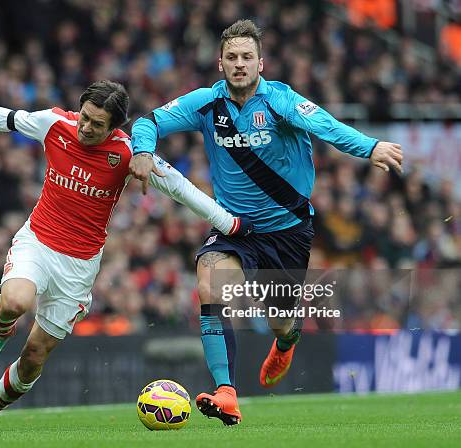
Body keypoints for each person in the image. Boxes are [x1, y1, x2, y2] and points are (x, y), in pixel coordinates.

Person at [0, 80, 253, 431]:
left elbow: (180, 187)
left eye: (97, 124)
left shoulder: (128, 153)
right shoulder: (56, 124)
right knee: (14, 301)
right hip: (38, 241)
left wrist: (229, 223)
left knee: (33, 357)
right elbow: (7, 118)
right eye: (85, 118)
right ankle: (0, 329)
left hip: (79, 266)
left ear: (114, 127)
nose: (86, 128)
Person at [130, 20, 403, 425]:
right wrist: (143, 151)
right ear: (220, 64)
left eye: (247, 57)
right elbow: (148, 121)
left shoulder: (281, 101)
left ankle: (287, 339)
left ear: (262, 63)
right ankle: (226, 392)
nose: (239, 64)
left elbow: (327, 126)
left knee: (280, 319)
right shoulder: (206, 103)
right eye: (232, 58)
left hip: (289, 231)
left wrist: (371, 147)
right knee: (209, 279)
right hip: (235, 228)